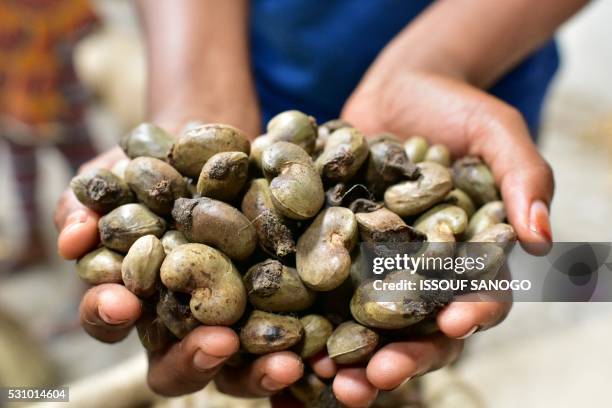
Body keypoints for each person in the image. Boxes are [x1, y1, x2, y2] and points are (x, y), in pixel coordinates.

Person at [54, 1, 588, 406]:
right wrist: (197, 95)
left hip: (488, 52)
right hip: (251, 65)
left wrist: (444, 60)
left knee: (452, 307)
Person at [0, 0, 98, 269]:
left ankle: (95, 245)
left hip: (60, 95)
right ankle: (32, 239)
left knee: (86, 171)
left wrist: (50, 41)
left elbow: (88, 23)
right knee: (22, 166)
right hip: (15, 96)